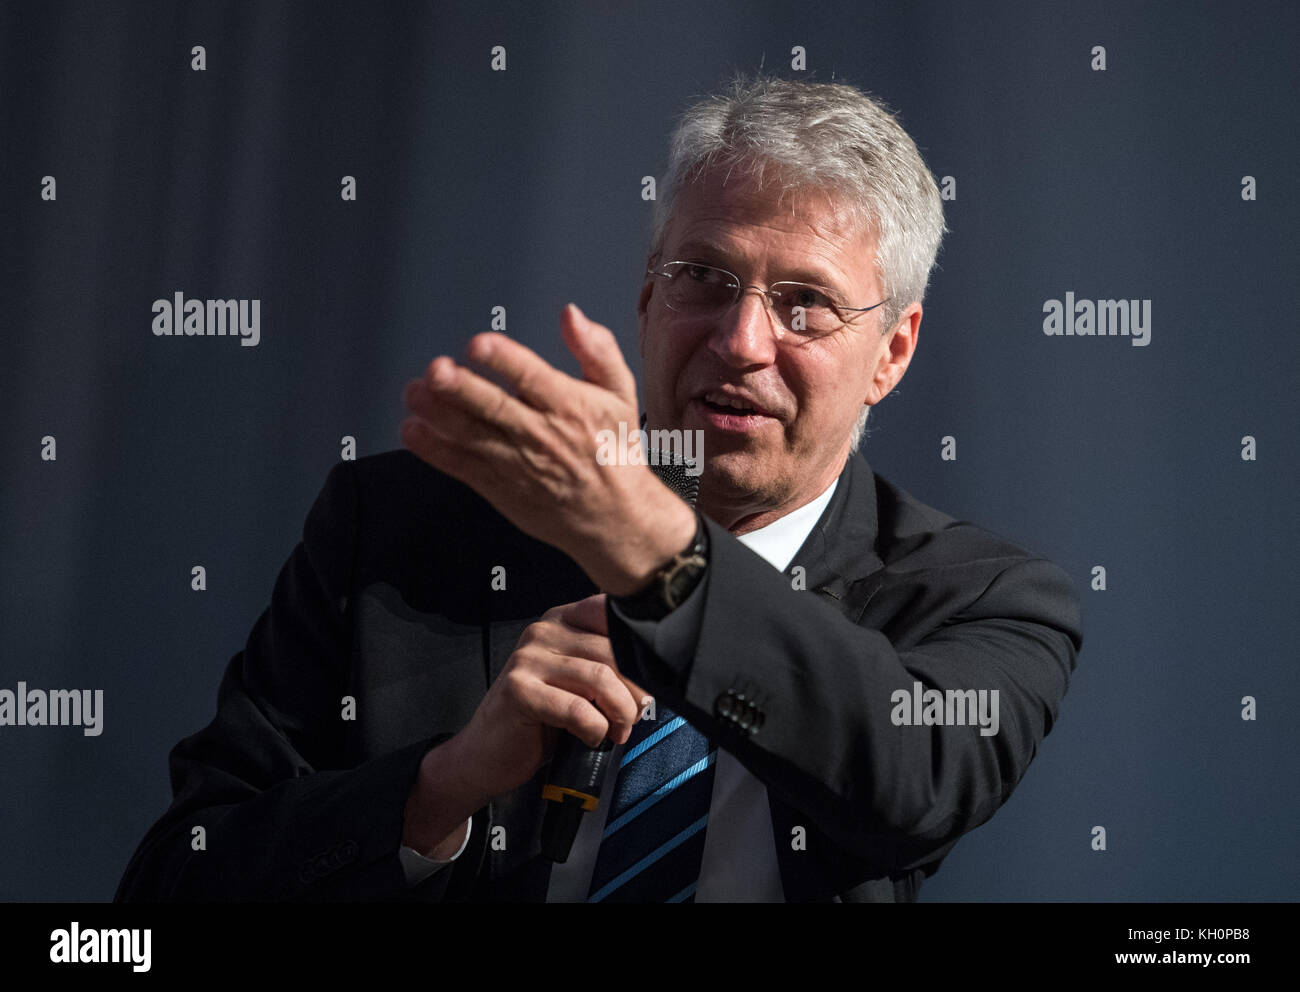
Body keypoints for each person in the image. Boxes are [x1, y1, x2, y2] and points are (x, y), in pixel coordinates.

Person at [116, 74, 1082, 903]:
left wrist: (656, 554)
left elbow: (909, 781)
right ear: (648, 295)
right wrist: (437, 790)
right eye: (704, 277)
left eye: (806, 305)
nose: (742, 341)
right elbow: (170, 886)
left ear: (892, 352)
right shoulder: (397, 532)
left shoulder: (984, 599)